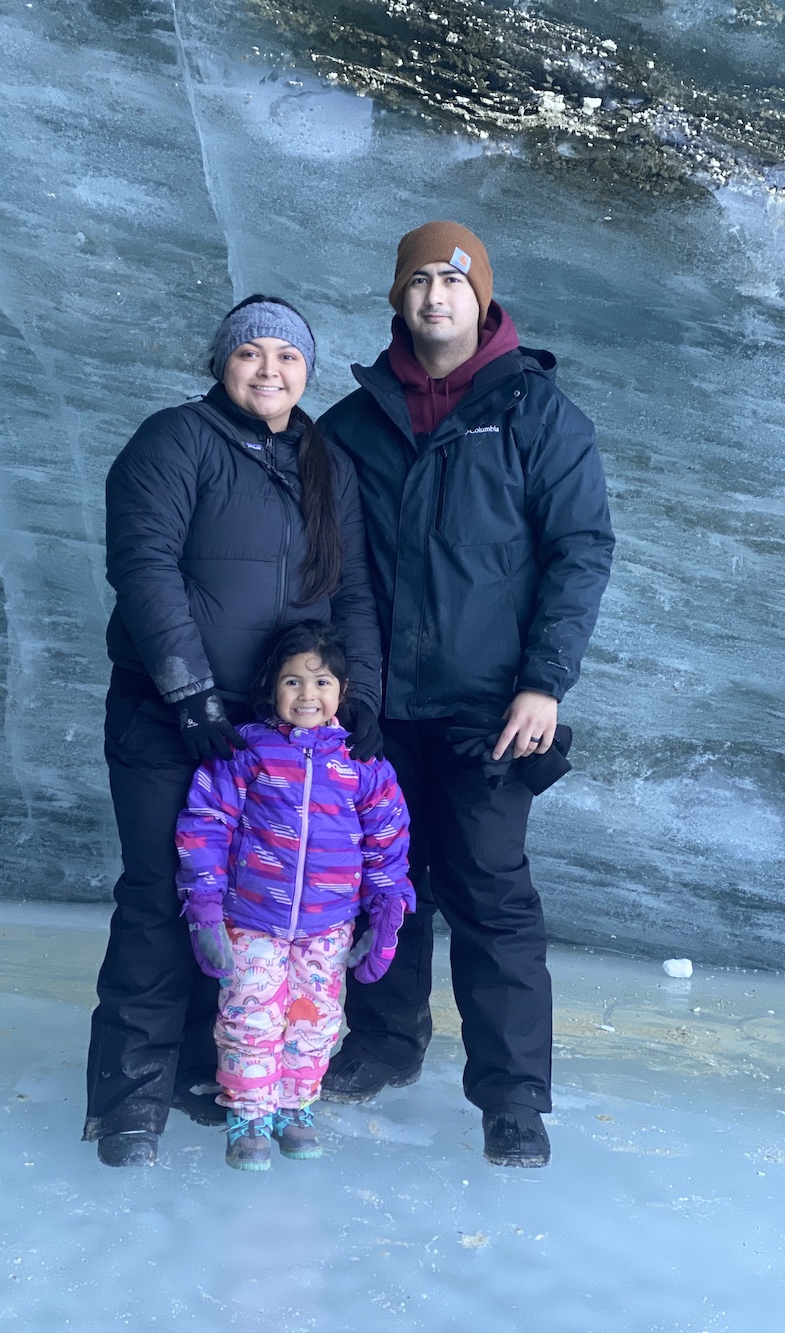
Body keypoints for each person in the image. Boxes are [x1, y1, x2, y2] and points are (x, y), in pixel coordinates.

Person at [317, 222, 615, 1167]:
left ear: (481, 298)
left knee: (491, 895)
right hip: (378, 705)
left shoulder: (536, 412)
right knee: (383, 885)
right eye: (418, 282)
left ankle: (513, 1097)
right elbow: (319, 561)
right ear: (397, 299)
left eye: (453, 281)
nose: (436, 296)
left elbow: (581, 551)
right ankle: (386, 1038)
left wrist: (544, 683)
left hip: (489, 709)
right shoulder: (353, 423)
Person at [84, 297, 383, 1168]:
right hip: (166, 717)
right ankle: (130, 1099)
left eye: (287, 357)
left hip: (271, 737)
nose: (269, 371)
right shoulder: (173, 441)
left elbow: (353, 589)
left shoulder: (327, 463)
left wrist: (356, 693)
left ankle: (208, 1072)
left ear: (307, 373)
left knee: (249, 914)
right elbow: (142, 563)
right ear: (222, 363)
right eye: (250, 353)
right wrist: (189, 690)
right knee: (157, 897)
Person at [175, 621, 414, 1171]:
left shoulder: (363, 763)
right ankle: (249, 1117)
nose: (308, 695)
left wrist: (386, 914)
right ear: (271, 689)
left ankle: (295, 1108)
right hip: (252, 917)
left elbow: (388, 841)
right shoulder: (246, 752)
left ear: (343, 692)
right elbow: (206, 824)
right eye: (293, 682)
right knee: (249, 1017)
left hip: (328, 923)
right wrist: (205, 908)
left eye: (322, 682)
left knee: (315, 1017)